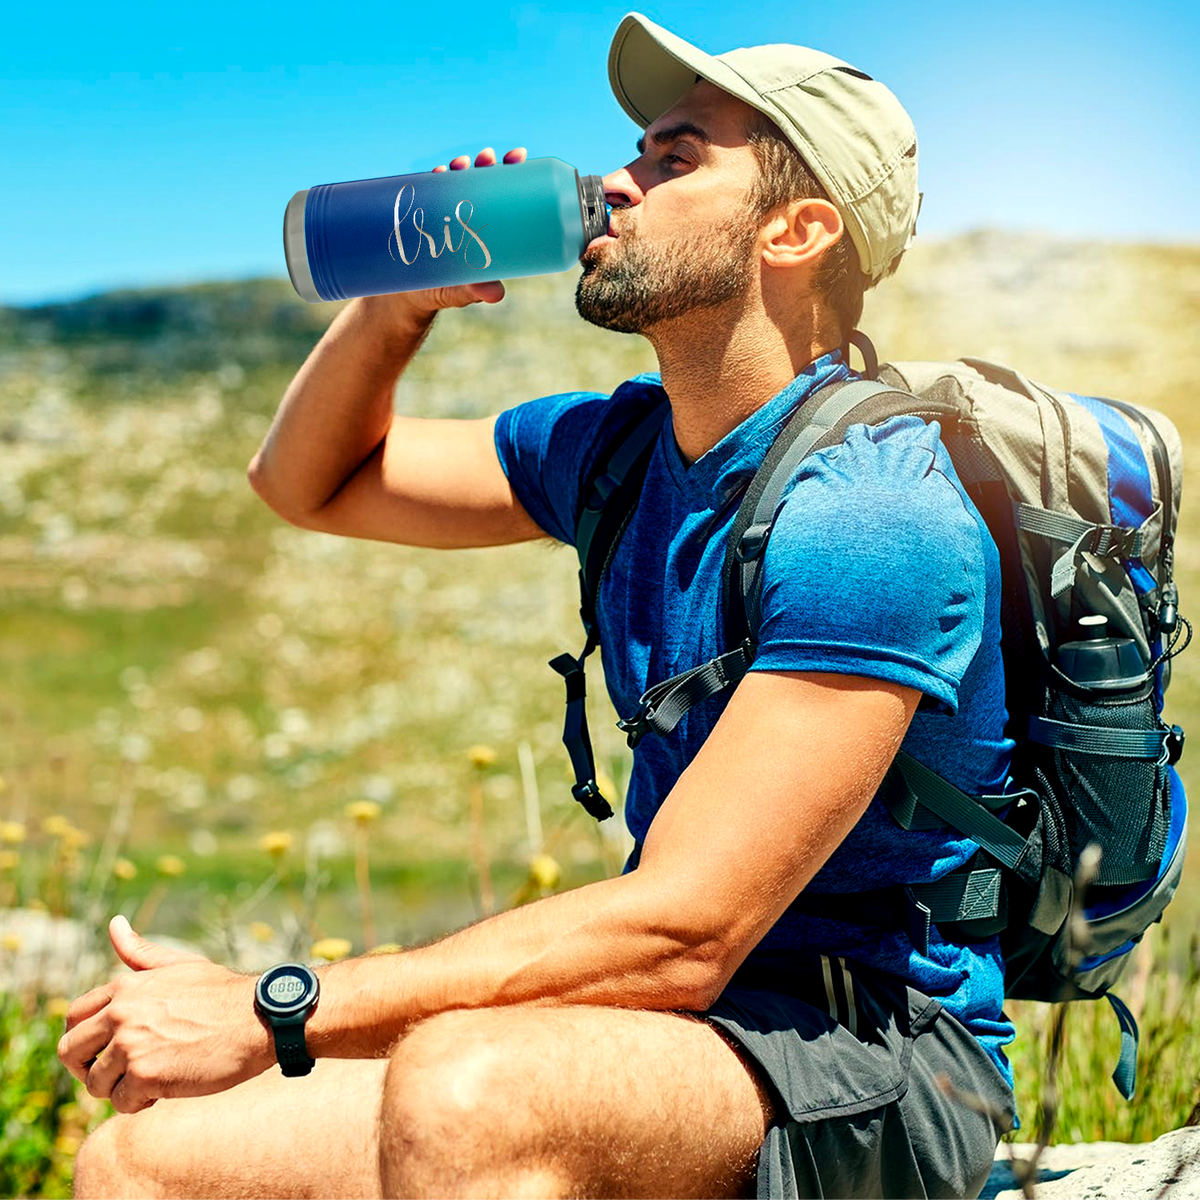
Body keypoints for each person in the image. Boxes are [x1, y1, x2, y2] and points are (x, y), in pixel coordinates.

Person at [60, 13, 1018, 1199]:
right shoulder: (613, 448)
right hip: (681, 1037)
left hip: (881, 1060)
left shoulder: (875, 513)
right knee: (146, 1160)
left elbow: (682, 931)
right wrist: (395, 305)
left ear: (798, 228)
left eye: (675, 159)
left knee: (468, 1091)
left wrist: (276, 1011)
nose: (617, 180)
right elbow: (310, 485)